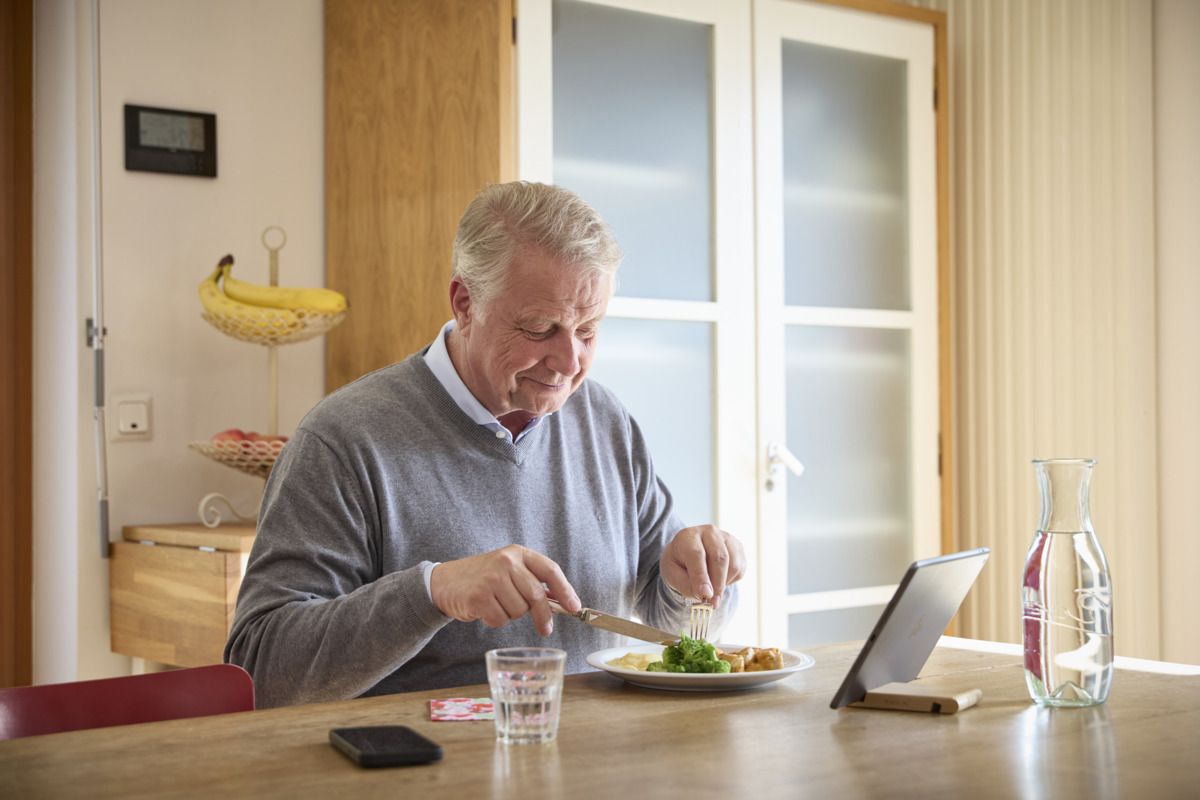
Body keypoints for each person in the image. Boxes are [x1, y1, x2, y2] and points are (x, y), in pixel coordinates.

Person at [225, 181, 745, 708]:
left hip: (594, 767)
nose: (569, 363)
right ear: (465, 302)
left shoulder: (605, 420)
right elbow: (261, 671)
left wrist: (689, 584)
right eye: (541, 328)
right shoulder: (343, 440)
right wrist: (431, 592)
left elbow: (674, 622)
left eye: (588, 330)